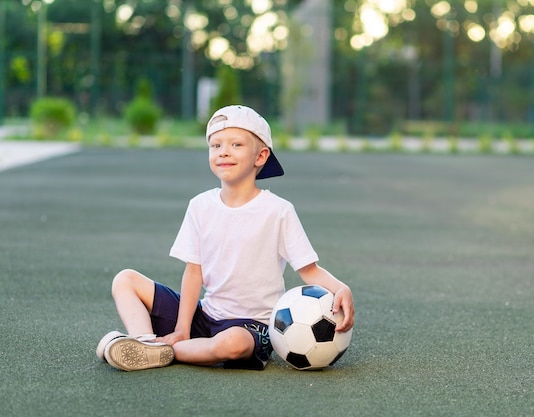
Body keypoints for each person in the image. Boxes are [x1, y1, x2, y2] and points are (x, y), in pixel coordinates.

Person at [96, 104, 355, 371]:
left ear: (261, 156)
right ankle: (145, 342)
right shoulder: (200, 206)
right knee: (125, 280)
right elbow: (193, 271)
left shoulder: (278, 211)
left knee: (233, 344)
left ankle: (165, 351)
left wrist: (341, 288)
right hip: (205, 315)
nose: (224, 152)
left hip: (250, 327)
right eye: (216, 145)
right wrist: (183, 327)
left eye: (236, 144)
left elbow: (308, 269)